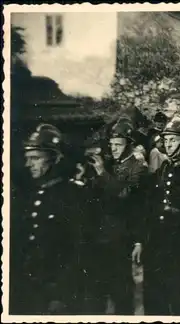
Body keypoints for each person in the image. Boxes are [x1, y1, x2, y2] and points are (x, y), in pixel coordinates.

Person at [132, 117, 180, 315]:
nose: (168, 144)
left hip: (179, 242)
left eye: (173, 140)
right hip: (156, 240)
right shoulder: (163, 170)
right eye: (166, 141)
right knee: (152, 296)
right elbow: (149, 207)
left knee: (178, 298)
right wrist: (140, 241)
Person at [10, 124, 86, 315]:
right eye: (27, 159)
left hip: (56, 293)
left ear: (54, 159)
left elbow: (80, 249)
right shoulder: (33, 194)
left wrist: (61, 294)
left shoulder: (72, 195)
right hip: (28, 288)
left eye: (35, 158)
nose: (29, 165)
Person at [83, 117, 147, 314]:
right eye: (111, 145)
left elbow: (126, 196)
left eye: (118, 145)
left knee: (121, 289)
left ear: (129, 145)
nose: (114, 149)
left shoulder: (138, 167)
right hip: (101, 232)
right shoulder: (110, 163)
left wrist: (102, 173)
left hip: (123, 232)